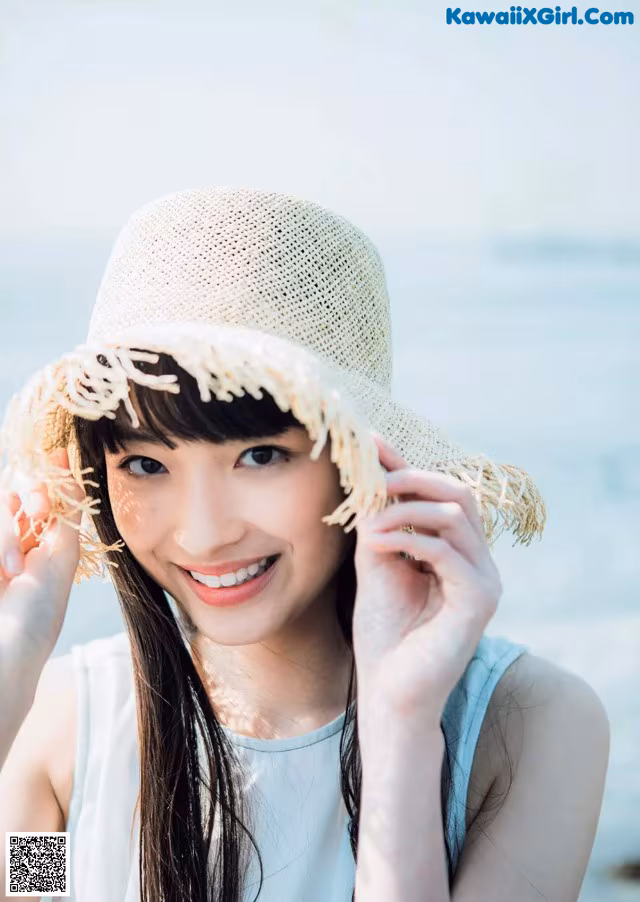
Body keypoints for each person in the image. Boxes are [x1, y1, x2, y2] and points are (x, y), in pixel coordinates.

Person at [0, 187, 609, 902]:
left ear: (355, 463)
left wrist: (401, 730)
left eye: (260, 456)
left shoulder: (530, 727)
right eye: (145, 463)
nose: (202, 532)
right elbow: (23, 889)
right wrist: (15, 655)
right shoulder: (56, 727)